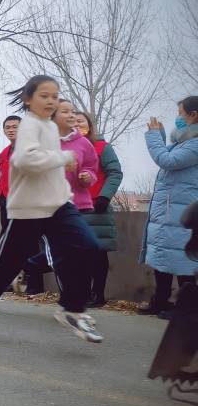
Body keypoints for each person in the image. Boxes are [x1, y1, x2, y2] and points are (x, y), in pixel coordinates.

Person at [0, 76, 103, 343]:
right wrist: (63, 157)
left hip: (59, 203)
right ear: (28, 99)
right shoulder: (29, 125)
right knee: (7, 264)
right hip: (29, 208)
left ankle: (72, 309)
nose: (51, 100)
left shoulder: (49, 128)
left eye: (55, 95)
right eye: (44, 95)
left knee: (88, 246)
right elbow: (25, 159)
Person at [21, 100, 99, 292]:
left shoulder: (83, 143)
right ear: (52, 116)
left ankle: (26, 267)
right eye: (65, 112)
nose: (73, 115)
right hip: (50, 206)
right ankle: (69, 300)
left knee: (85, 247)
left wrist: (88, 176)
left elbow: (92, 167)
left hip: (79, 204)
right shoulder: (42, 141)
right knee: (59, 252)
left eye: (73, 111)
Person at [140, 96, 198, 317]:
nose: (178, 117)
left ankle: (186, 308)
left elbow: (169, 162)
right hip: (169, 210)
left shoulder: (195, 143)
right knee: (162, 257)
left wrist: (154, 137)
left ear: (194, 115)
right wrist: (162, 137)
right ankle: (161, 301)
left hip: (183, 211)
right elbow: (169, 156)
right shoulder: (185, 140)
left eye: (181, 113)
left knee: (184, 260)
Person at [74, 111, 122, 307]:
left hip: (96, 206)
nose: (77, 124)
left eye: (81, 121)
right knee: (77, 254)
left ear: (89, 125)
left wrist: (104, 196)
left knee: (97, 252)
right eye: (73, 121)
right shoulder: (67, 148)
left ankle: (98, 294)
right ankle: (81, 293)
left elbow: (115, 173)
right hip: (73, 207)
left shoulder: (102, 146)